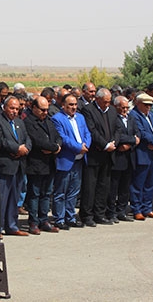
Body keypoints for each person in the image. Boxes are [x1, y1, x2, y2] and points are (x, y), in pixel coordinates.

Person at [50, 94, 91, 229]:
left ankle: (70, 217)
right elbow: (63, 138)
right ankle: (59, 219)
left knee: (73, 191)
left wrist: (86, 145)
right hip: (66, 160)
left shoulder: (80, 117)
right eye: (70, 105)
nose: (74, 107)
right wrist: (78, 147)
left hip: (79, 160)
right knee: (61, 191)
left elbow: (87, 133)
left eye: (75, 105)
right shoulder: (57, 119)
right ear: (63, 106)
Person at [0, 96, 31, 236]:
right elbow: (0, 140)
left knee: (14, 198)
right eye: (12, 108)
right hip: (4, 164)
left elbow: (27, 138)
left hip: (19, 165)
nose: (14, 111)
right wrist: (16, 148)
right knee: (2, 199)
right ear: (5, 107)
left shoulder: (19, 122)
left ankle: (12, 226)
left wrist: (26, 149)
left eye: (17, 108)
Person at [23, 96, 62, 234]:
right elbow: (37, 141)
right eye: (42, 110)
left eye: (47, 110)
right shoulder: (28, 122)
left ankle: (44, 220)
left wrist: (56, 147)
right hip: (36, 164)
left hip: (49, 163)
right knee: (35, 194)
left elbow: (58, 137)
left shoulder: (48, 121)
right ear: (34, 108)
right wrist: (53, 147)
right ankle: (33, 222)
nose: (45, 112)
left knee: (46, 193)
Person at [80, 88, 117, 226]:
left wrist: (114, 142)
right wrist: (105, 145)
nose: (107, 104)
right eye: (104, 102)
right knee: (90, 187)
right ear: (97, 99)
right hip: (94, 154)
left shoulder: (112, 110)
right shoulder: (88, 110)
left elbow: (117, 128)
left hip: (108, 154)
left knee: (104, 186)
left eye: (109, 102)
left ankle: (100, 214)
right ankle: (87, 215)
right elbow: (92, 130)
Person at [129, 93, 153, 220]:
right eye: (145, 105)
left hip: (152, 153)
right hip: (142, 153)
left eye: (150, 105)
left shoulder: (151, 115)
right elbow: (141, 132)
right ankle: (137, 209)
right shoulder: (134, 115)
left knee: (150, 183)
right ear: (138, 104)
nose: (148, 107)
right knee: (138, 183)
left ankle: (147, 208)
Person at [109, 96, 140, 222]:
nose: (125, 110)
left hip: (129, 157)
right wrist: (132, 140)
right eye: (123, 107)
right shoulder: (113, 119)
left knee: (125, 187)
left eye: (127, 107)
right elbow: (118, 136)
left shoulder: (131, 118)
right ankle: (111, 212)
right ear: (116, 107)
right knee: (113, 187)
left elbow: (138, 134)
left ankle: (121, 211)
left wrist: (131, 144)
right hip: (118, 158)